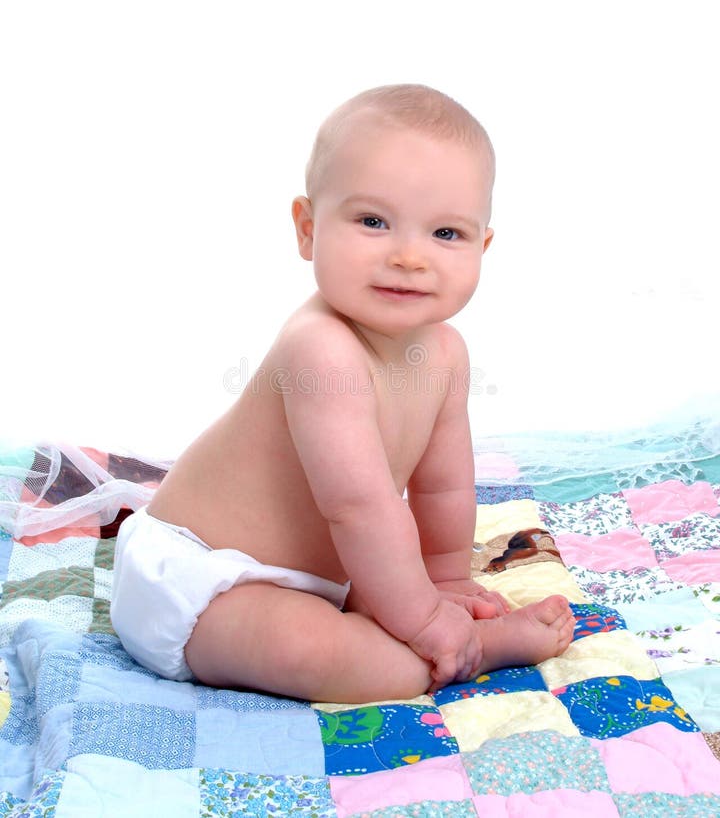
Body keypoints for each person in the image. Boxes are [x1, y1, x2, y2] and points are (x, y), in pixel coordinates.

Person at [110, 84, 575, 703]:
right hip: (203, 583)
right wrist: (428, 622)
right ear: (307, 228)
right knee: (370, 664)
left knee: (382, 612)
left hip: (316, 579)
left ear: (483, 245)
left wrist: (441, 580)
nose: (409, 257)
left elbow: (443, 485)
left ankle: (422, 615)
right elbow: (358, 507)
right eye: (373, 222)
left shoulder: (447, 353)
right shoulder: (321, 348)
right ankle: (478, 649)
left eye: (446, 233)